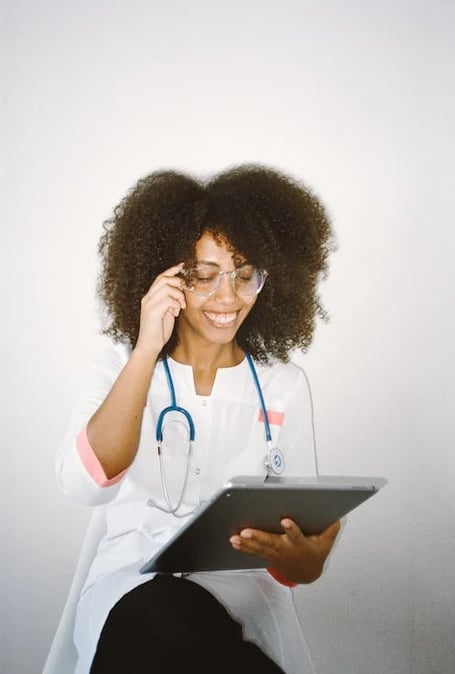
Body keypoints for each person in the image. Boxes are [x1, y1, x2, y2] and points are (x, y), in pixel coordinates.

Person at [56, 163, 341, 674]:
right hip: (129, 590)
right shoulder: (120, 365)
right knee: (159, 615)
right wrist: (147, 347)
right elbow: (86, 484)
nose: (228, 297)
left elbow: (296, 568)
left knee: (183, 634)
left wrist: (305, 556)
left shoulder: (282, 385)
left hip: (239, 599)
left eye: (245, 273)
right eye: (204, 276)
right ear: (167, 279)